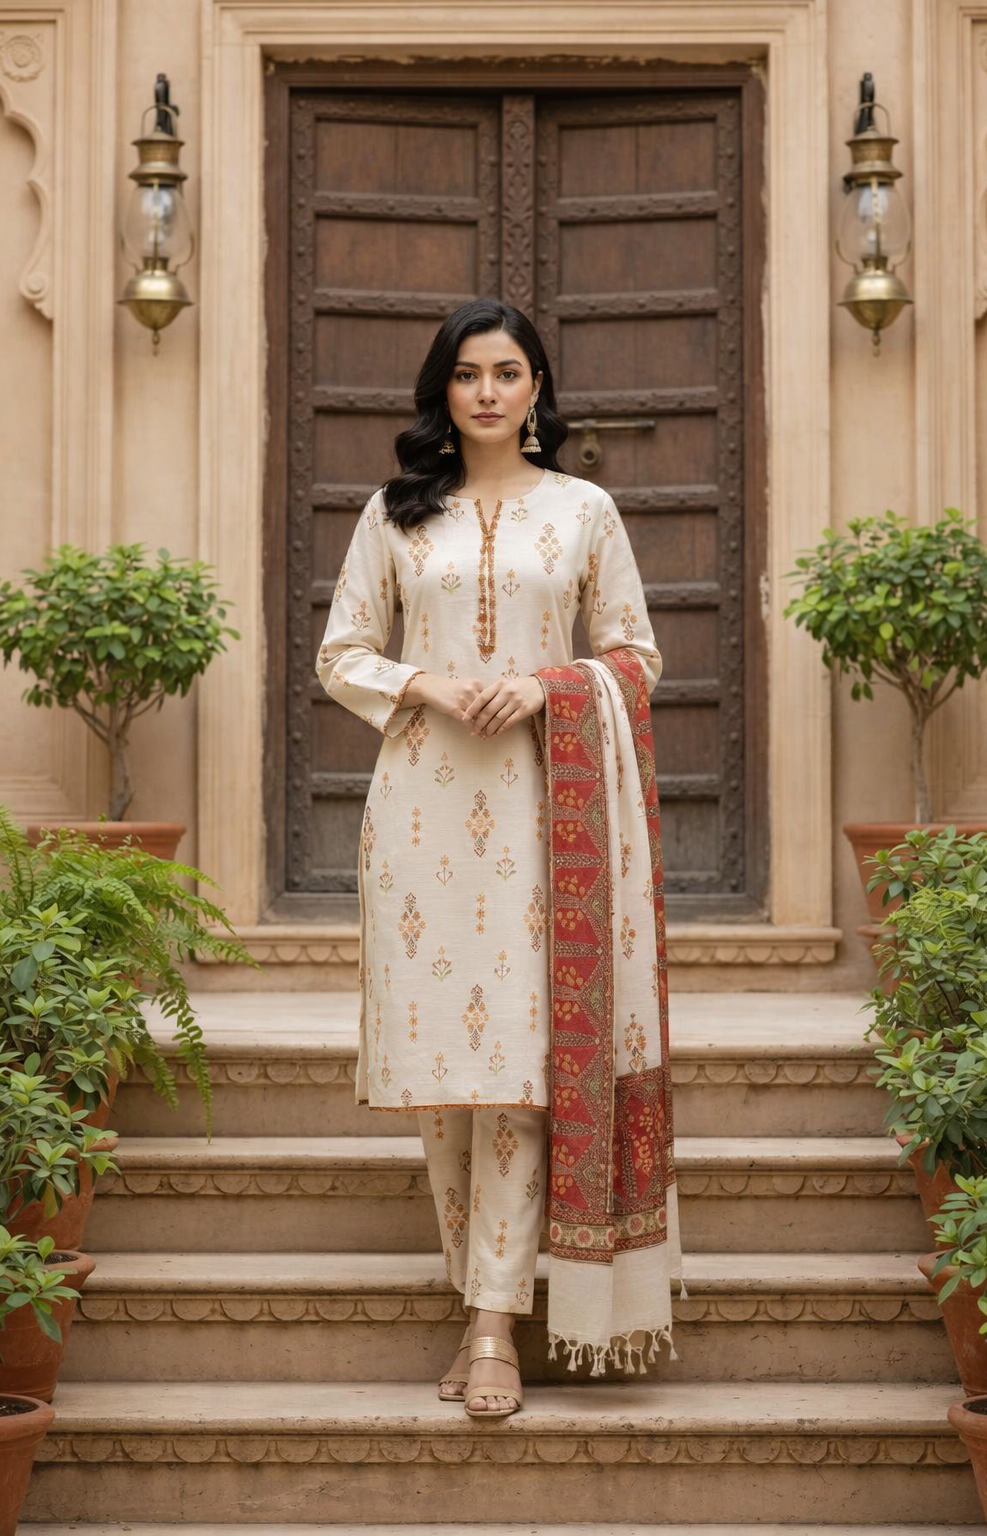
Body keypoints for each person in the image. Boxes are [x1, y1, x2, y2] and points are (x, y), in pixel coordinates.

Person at [316, 298, 681, 1421]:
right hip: (423, 814)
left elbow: (636, 654)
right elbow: (342, 654)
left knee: (523, 1070)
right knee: (445, 1082)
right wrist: (423, 682)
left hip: (543, 806)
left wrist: (544, 686)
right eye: (467, 373)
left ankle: (491, 1329)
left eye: (507, 372)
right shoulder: (394, 513)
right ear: (443, 390)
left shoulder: (583, 510)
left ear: (536, 391)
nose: (485, 391)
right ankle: (477, 1280)